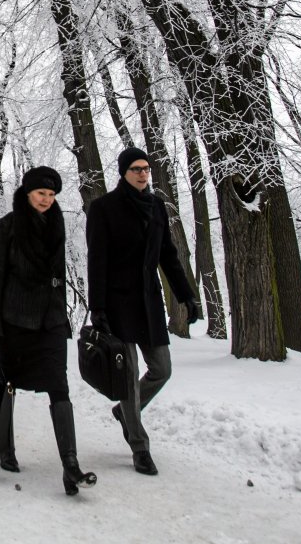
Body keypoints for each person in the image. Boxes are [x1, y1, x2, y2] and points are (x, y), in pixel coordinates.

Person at [0, 165, 97, 496]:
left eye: (52, 194)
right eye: (41, 193)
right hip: (15, 320)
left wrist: (61, 300)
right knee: (9, 383)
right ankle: (3, 445)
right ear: (27, 193)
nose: (46, 199)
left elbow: (57, 270)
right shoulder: (8, 226)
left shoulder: (56, 222)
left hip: (51, 320)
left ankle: (70, 466)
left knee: (59, 385)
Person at [86, 146, 203, 476]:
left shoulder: (156, 207)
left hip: (149, 302)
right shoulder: (104, 209)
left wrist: (186, 296)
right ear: (124, 172)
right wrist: (98, 308)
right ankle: (140, 446)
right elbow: (97, 262)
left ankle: (126, 414)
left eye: (146, 169)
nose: (142, 173)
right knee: (127, 377)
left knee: (162, 369)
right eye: (136, 168)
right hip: (117, 304)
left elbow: (168, 255)